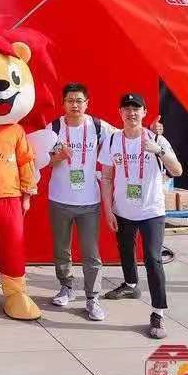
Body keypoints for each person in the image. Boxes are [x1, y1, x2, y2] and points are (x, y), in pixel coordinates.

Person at [99, 93, 182, 340]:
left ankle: (158, 312)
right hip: (123, 209)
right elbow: (106, 177)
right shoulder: (113, 140)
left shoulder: (156, 139)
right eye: (126, 109)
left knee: (153, 259)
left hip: (151, 211)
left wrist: (159, 151)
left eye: (136, 108)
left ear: (144, 112)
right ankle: (130, 285)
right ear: (120, 113)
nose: (131, 113)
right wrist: (108, 210)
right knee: (125, 249)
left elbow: (177, 170)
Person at [46, 83, 111, 322]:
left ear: (87, 103)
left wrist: (153, 132)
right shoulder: (53, 128)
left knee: (91, 252)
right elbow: (42, 161)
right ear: (63, 103)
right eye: (70, 100)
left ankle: (92, 298)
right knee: (61, 248)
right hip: (59, 198)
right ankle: (66, 287)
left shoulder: (98, 127)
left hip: (89, 201)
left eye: (79, 101)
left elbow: (127, 136)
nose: (75, 105)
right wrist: (57, 158)